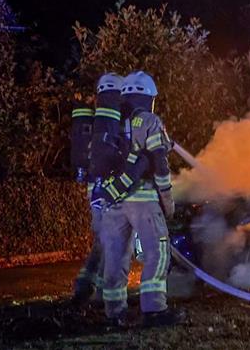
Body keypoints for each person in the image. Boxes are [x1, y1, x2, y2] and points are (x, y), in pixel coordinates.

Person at [94, 70, 181, 328]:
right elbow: (160, 166)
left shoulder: (113, 123)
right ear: (149, 98)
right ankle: (154, 311)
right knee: (158, 251)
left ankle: (114, 313)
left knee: (116, 255)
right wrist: (168, 201)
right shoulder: (149, 121)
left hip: (112, 200)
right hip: (142, 200)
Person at [71, 73, 126, 305]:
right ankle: (104, 295)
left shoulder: (95, 124)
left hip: (94, 189)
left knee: (101, 243)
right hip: (108, 191)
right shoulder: (114, 121)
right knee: (114, 244)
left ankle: (83, 286)